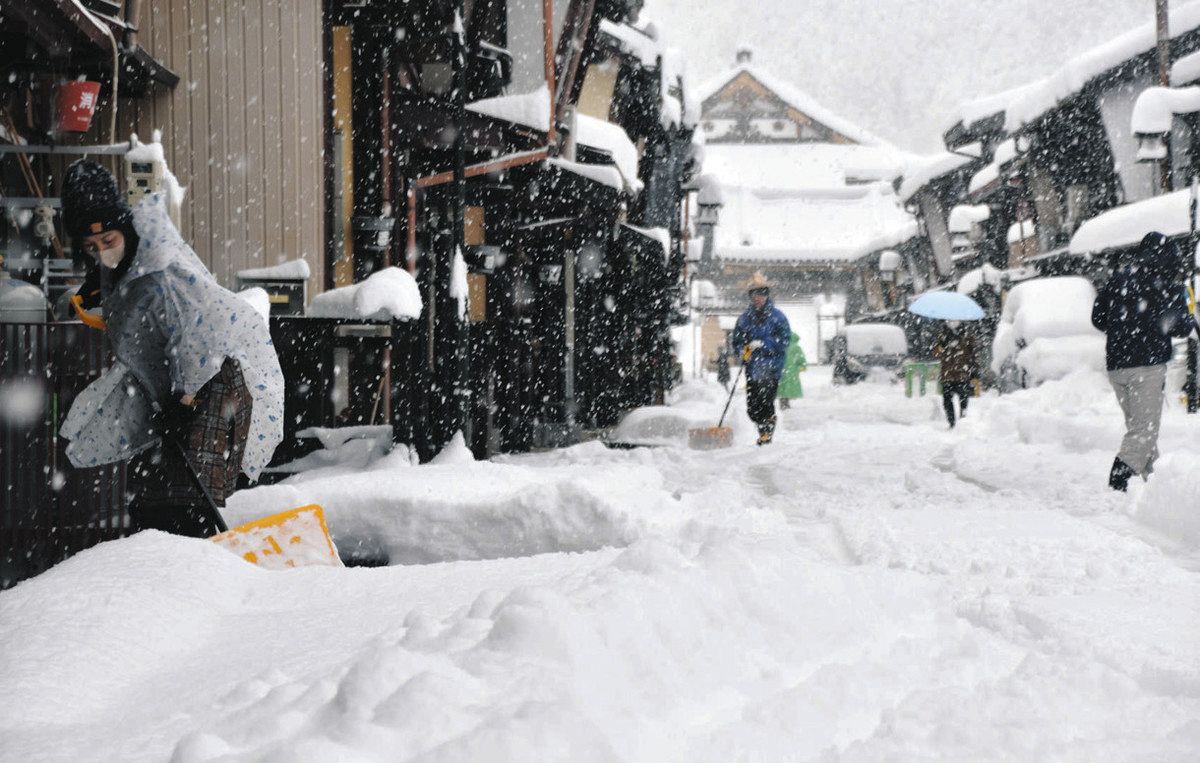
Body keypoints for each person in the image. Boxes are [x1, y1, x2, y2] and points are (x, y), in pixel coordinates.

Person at [59, 160, 284, 536]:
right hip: (179, 383)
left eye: (108, 241)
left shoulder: (161, 274)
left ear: (124, 227)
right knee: (150, 495)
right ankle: (163, 570)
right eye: (91, 246)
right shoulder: (131, 256)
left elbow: (196, 339)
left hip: (212, 378)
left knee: (186, 502)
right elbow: (125, 286)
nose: (102, 252)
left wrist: (185, 401)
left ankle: (190, 576)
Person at [1091, 231, 1194, 491]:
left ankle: (1157, 489)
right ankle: (1117, 483)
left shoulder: (1119, 278)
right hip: (1147, 367)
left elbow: (1098, 318)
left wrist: (1123, 329)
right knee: (1143, 433)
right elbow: (1180, 327)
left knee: (1139, 431)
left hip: (1117, 367)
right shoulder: (1167, 283)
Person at [730, 272, 790, 445]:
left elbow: (784, 340)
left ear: (766, 295)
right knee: (752, 407)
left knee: (766, 400)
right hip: (752, 368)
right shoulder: (744, 319)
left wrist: (764, 344)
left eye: (761, 293)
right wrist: (743, 350)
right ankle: (763, 423)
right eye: (754, 294)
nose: (757, 297)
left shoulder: (778, 317)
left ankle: (766, 432)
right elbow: (737, 341)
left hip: (771, 367)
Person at [933, 320, 977, 428]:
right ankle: (952, 423)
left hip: (962, 373)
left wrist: (974, 370)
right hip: (947, 374)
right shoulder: (943, 335)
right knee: (947, 400)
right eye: (950, 320)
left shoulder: (966, 335)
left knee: (963, 398)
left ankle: (963, 421)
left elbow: (973, 352)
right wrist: (942, 345)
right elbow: (936, 352)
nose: (952, 322)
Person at [777, 332, 807, 409]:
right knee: (789, 386)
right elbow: (801, 359)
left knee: (781, 386)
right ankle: (786, 403)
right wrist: (802, 366)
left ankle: (783, 402)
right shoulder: (796, 347)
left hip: (780, 370)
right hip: (792, 371)